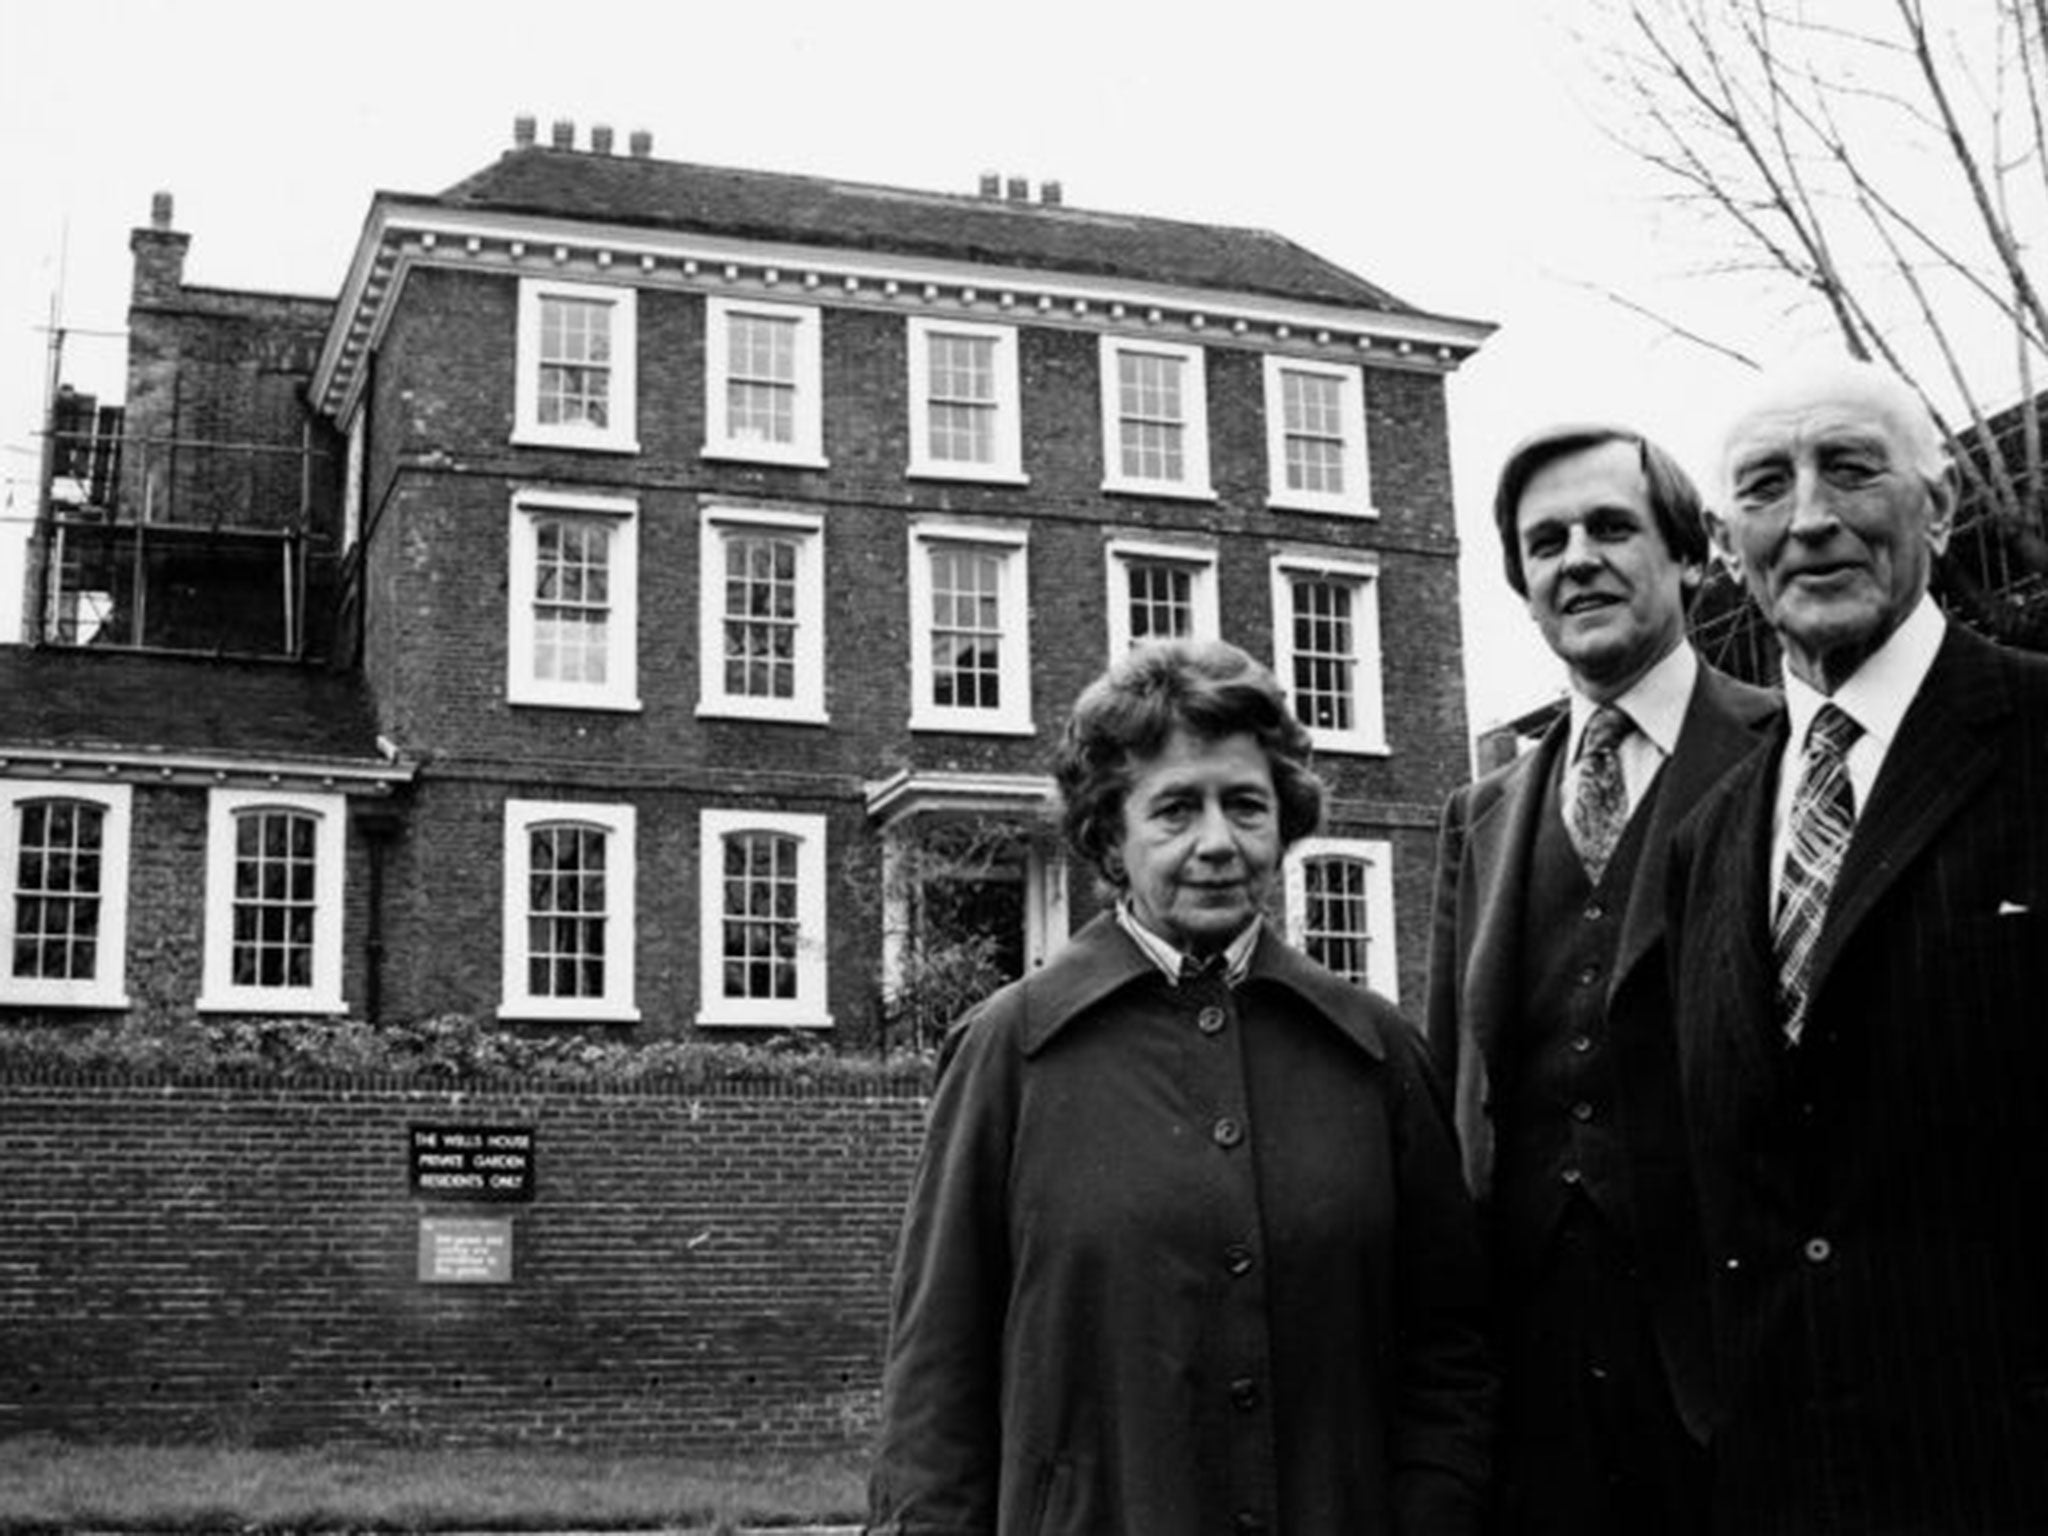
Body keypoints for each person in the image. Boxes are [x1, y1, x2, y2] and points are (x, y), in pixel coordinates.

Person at [867, 638, 1495, 1536]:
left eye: (1245, 805)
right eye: (1173, 810)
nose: (1216, 843)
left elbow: (1451, 1359)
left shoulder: (1377, 1053)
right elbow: (937, 1384)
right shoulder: (1011, 1052)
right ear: (1110, 836)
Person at [1667, 358, 2048, 1532]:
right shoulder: (1706, 838)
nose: (1812, 518)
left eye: (1849, 470)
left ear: (1933, 508)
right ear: (1728, 547)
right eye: (1766, 488)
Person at [1426, 425, 1776, 1534]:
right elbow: (1453, 1086)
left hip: (1740, 1365)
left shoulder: (1786, 754)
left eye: (1610, 527)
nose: (1574, 557)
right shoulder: (1477, 816)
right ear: (1523, 588)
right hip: (1526, 1376)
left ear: (1688, 556)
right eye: (1543, 543)